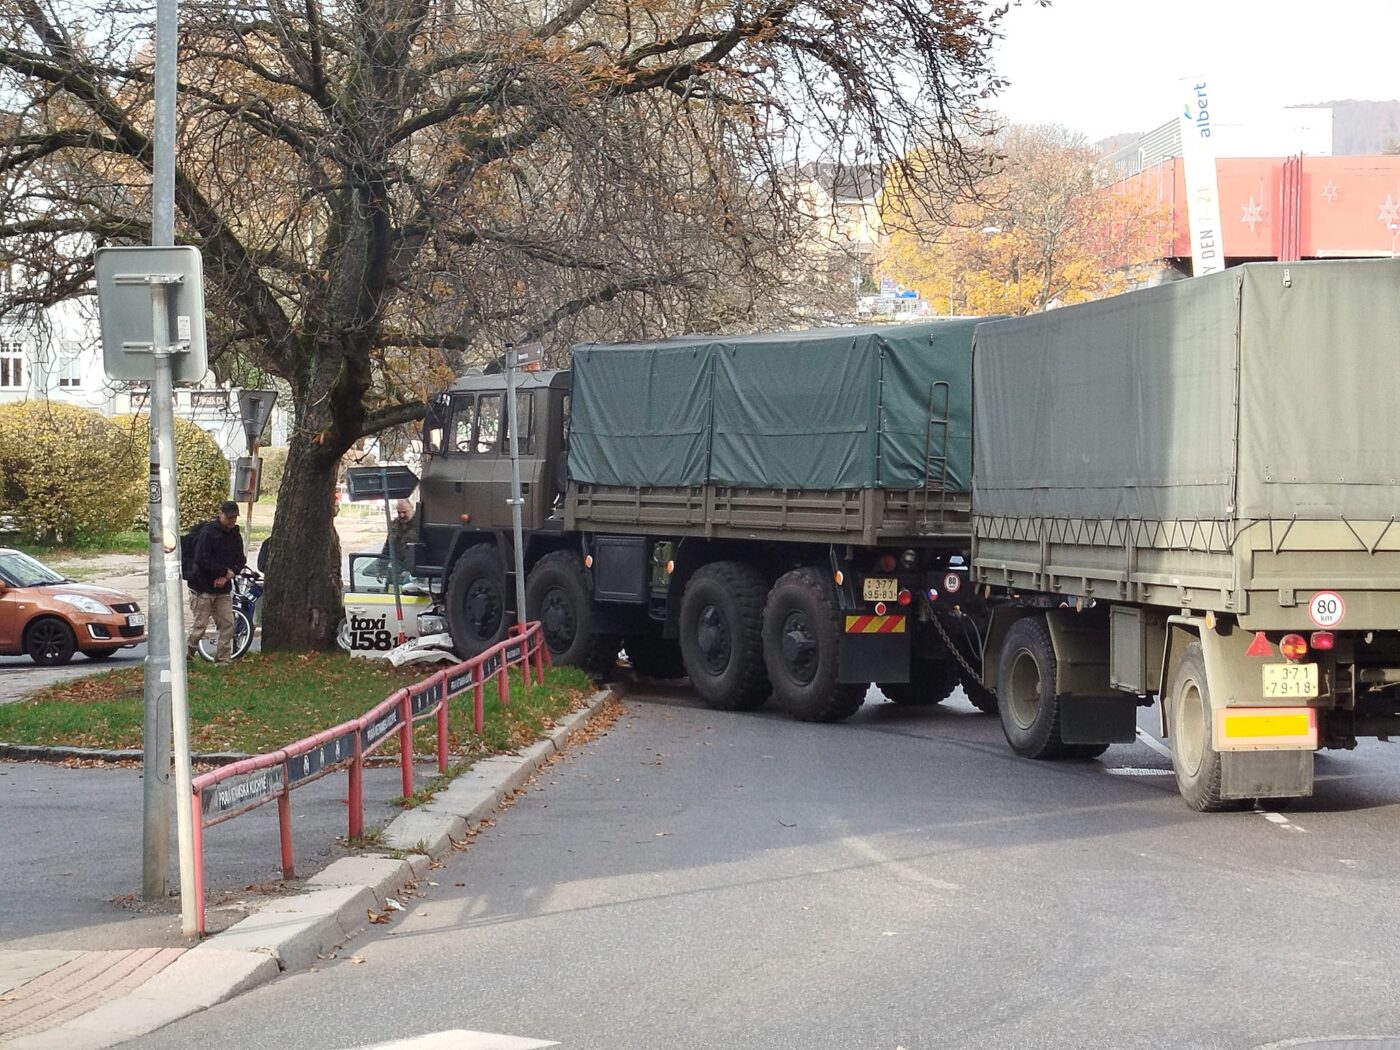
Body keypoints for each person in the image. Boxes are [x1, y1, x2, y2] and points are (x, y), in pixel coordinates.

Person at [186, 501, 247, 664]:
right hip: (202, 588)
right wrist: (222, 572)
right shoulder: (208, 533)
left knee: (228, 624)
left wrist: (228, 575)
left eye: (234, 517)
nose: (232, 520)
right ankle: (186, 655)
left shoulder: (235, 534)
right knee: (200, 627)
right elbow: (201, 559)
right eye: (229, 517)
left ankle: (223, 660)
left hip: (223, 589)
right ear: (221, 514)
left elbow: (241, 560)